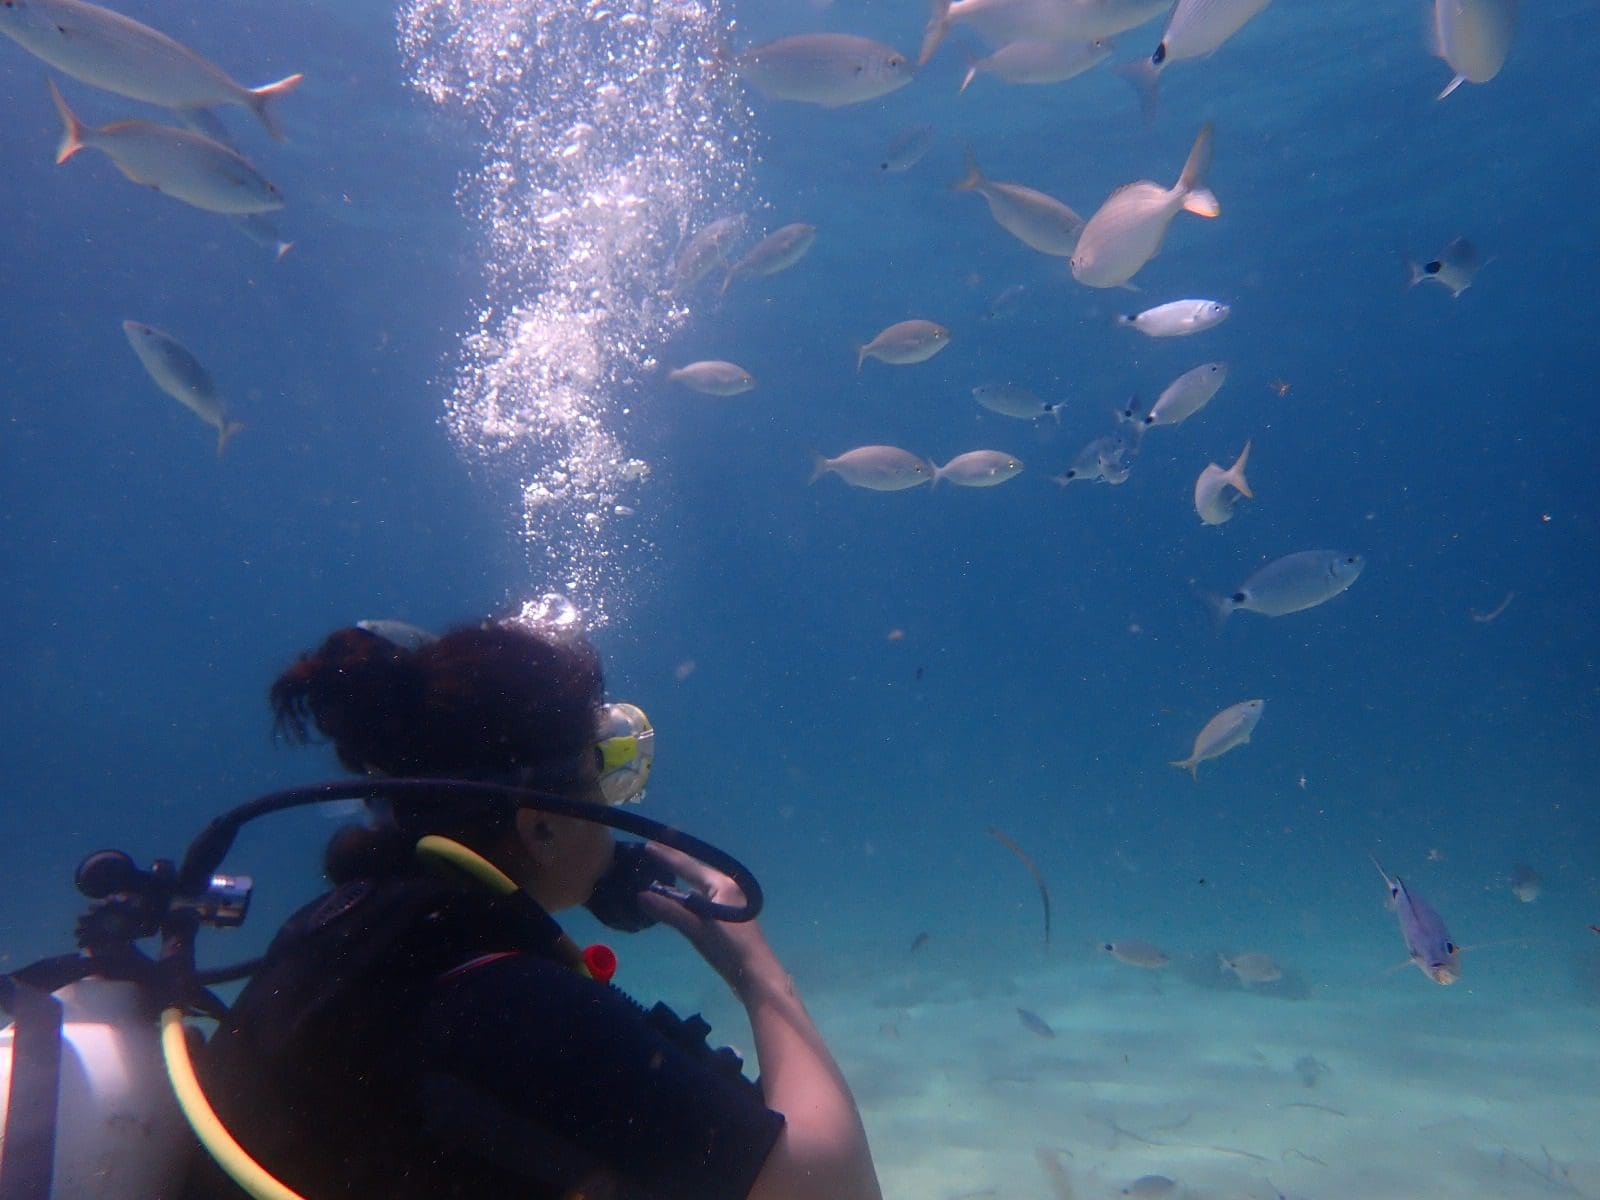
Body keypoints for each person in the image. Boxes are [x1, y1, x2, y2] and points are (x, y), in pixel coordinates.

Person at [182, 617, 881, 1200]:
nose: (611, 812)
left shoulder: (338, 930)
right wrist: (757, 972)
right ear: (540, 826)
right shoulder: (506, 1001)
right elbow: (831, 1187)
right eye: (600, 778)